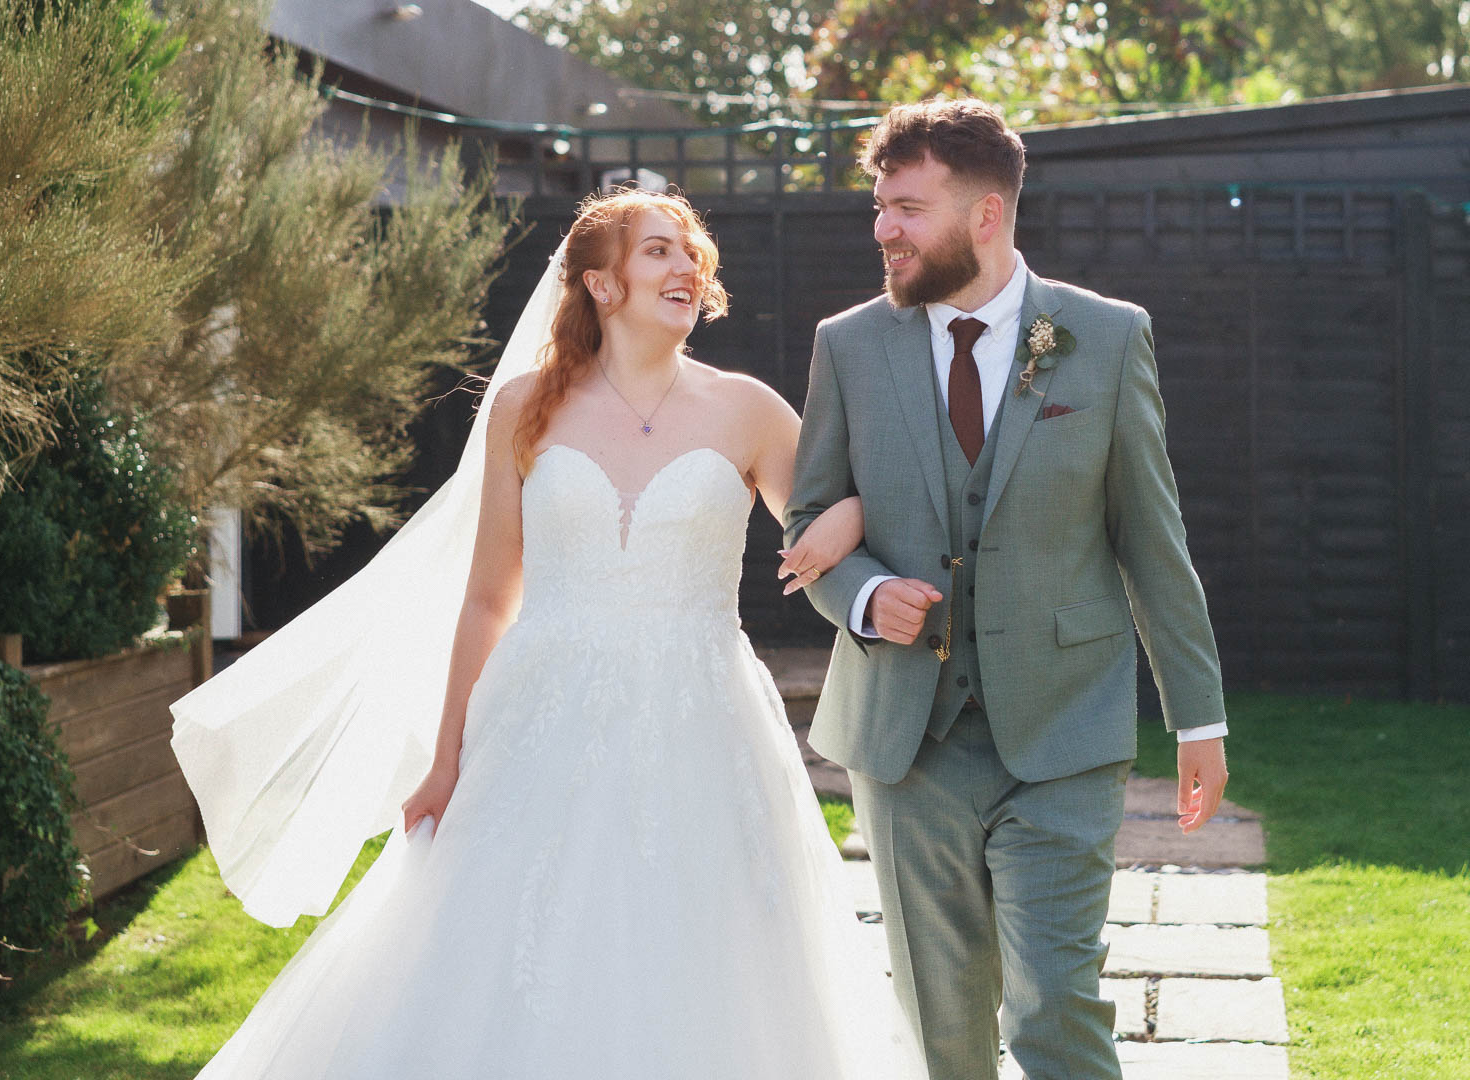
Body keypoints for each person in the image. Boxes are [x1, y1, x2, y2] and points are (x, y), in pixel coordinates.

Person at [172, 189, 922, 1078]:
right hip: (541, 717)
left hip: (701, 723)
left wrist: (841, 522)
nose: (686, 268)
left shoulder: (748, 411)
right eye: (658, 253)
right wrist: (446, 762)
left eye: (692, 254)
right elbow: (491, 597)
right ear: (601, 285)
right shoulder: (524, 408)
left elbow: (864, 500)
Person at [779, 100, 1231, 1080]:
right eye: (878, 207)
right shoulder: (850, 346)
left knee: (1055, 1005)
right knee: (944, 1031)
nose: (883, 229)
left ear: (986, 215)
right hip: (906, 744)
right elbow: (807, 525)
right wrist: (862, 597)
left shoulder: (1105, 339)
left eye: (906, 207)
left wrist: (1199, 720)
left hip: (1063, 731)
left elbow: (1152, 539)